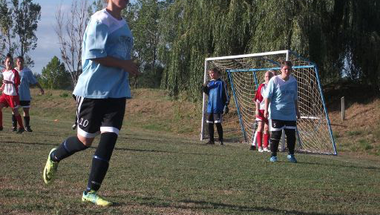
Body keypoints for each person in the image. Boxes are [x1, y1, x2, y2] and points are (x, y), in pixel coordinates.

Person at [42, 0, 139, 207]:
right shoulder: (100, 19)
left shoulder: (124, 23)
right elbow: (95, 55)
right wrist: (124, 64)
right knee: (84, 141)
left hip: (117, 91)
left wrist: (129, 67)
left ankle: (90, 191)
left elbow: (122, 55)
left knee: (109, 138)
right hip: (93, 90)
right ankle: (55, 155)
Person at [264, 61, 300, 163]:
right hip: (277, 113)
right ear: (281, 69)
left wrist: (297, 110)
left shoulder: (294, 81)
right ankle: (273, 155)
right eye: (285, 69)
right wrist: (266, 109)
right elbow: (267, 97)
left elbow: (295, 98)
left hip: (290, 113)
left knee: (291, 135)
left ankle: (291, 155)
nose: (287, 71)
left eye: (289, 69)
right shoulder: (274, 80)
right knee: (276, 135)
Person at [11, 56, 44, 132]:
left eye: (21, 61)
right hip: (15, 94)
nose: (20, 63)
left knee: (26, 110)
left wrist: (41, 88)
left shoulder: (27, 71)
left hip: (25, 94)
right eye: (18, 61)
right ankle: (14, 126)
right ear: (16, 62)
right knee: (14, 110)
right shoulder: (13, 71)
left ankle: (27, 126)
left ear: (23, 62)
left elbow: (34, 81)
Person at [202, 67, 229, 145]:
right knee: (210, 123)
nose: (211, 75)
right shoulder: (209, 83)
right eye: (210, 73)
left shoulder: (221, 83)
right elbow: (207, 92)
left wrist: (226, 105)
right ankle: (211, 140)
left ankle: (221, 140)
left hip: (218, 106)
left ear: (217, 73)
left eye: (213, 73)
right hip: (210, 106)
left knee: (217, 123)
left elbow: (226, 94)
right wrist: (204, 87)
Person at [0, 54, 25, 133]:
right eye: (8, 62)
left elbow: (17, 83)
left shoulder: (14, 72)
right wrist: (2, 86)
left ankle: (21, 127)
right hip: (5, 94)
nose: (9, 63)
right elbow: (5, 81)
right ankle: (0, 126)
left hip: (12, 95)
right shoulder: (3, 72)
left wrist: (9, 82)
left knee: (15, 111)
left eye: (11, 62)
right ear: (5, 62)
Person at [251, 70, 275, 152]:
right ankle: (259, 146)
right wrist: (257, 110)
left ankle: (265, 146)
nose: (267, 78)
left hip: (270, 110)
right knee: (260, 126)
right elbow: (257, 100)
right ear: (264, 77)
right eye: (266, 76)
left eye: (269, 76)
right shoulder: (262, 86)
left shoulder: (274, 86)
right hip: (261, 109)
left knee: (267, 128)